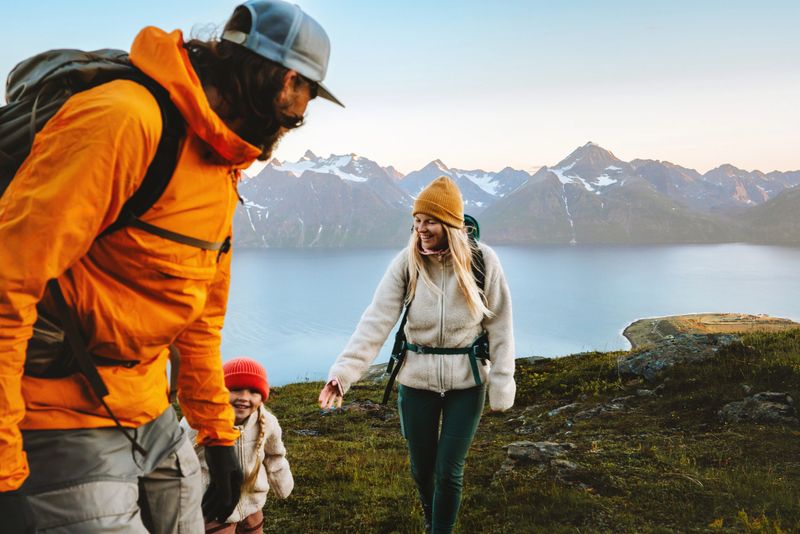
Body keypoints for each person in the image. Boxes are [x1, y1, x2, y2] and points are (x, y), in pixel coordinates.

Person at [0, 1, 341, 532]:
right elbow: (7, 283)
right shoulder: (124, 120)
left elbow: (201, 318)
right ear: (285, 80)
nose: (300, 117)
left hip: (150, 411)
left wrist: (216, 434)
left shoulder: (221, 163)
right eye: (307, 98)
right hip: (59, 416)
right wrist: (3, 462)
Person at [319, 176, 516, 534]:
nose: (420, 229)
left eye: (429, 221)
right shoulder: (407, 262)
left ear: (450, 223)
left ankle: (440, 530)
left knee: (449, 470)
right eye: (417, 221)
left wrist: (503, 379)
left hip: (466, 383)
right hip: (416, 382)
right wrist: (343, 373)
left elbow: (500, 323)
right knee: (422, 469)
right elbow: (376, 320)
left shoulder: (482, 261)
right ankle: (431, 518)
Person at [180, 357, 293, 533]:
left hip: (252, 502)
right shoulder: (198, 422)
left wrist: (282, 483)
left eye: (253, 392)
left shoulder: (268, 422)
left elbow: (275, 454)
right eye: (236, 389)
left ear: (263, 396)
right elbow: (176, 458)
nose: (244, 398)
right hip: (214, 504)